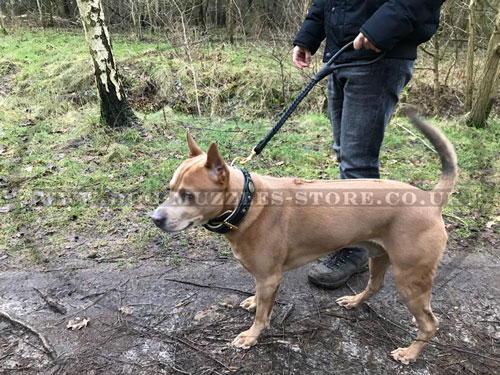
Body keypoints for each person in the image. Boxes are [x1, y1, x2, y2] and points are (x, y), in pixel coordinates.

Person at [292, 1, 445, 289]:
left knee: (356, 161)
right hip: (340, 56)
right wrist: (308, 36)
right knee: (344, 155)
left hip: (379, 55)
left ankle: (358, 248)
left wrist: (378, 30)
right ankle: (352, 236)